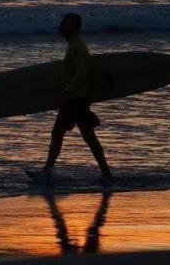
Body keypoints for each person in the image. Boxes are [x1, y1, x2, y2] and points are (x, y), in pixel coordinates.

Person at [27, 13, 113, 183]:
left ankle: (47, 171)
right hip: (78, 98)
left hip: (75, 99)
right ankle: (106, 173)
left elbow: (82, 73)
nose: (60, 26)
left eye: (64, 23)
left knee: (58, 133)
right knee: (87, 136)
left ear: (73, 26)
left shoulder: (77, 47)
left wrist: (66, 92)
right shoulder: (74, 45)